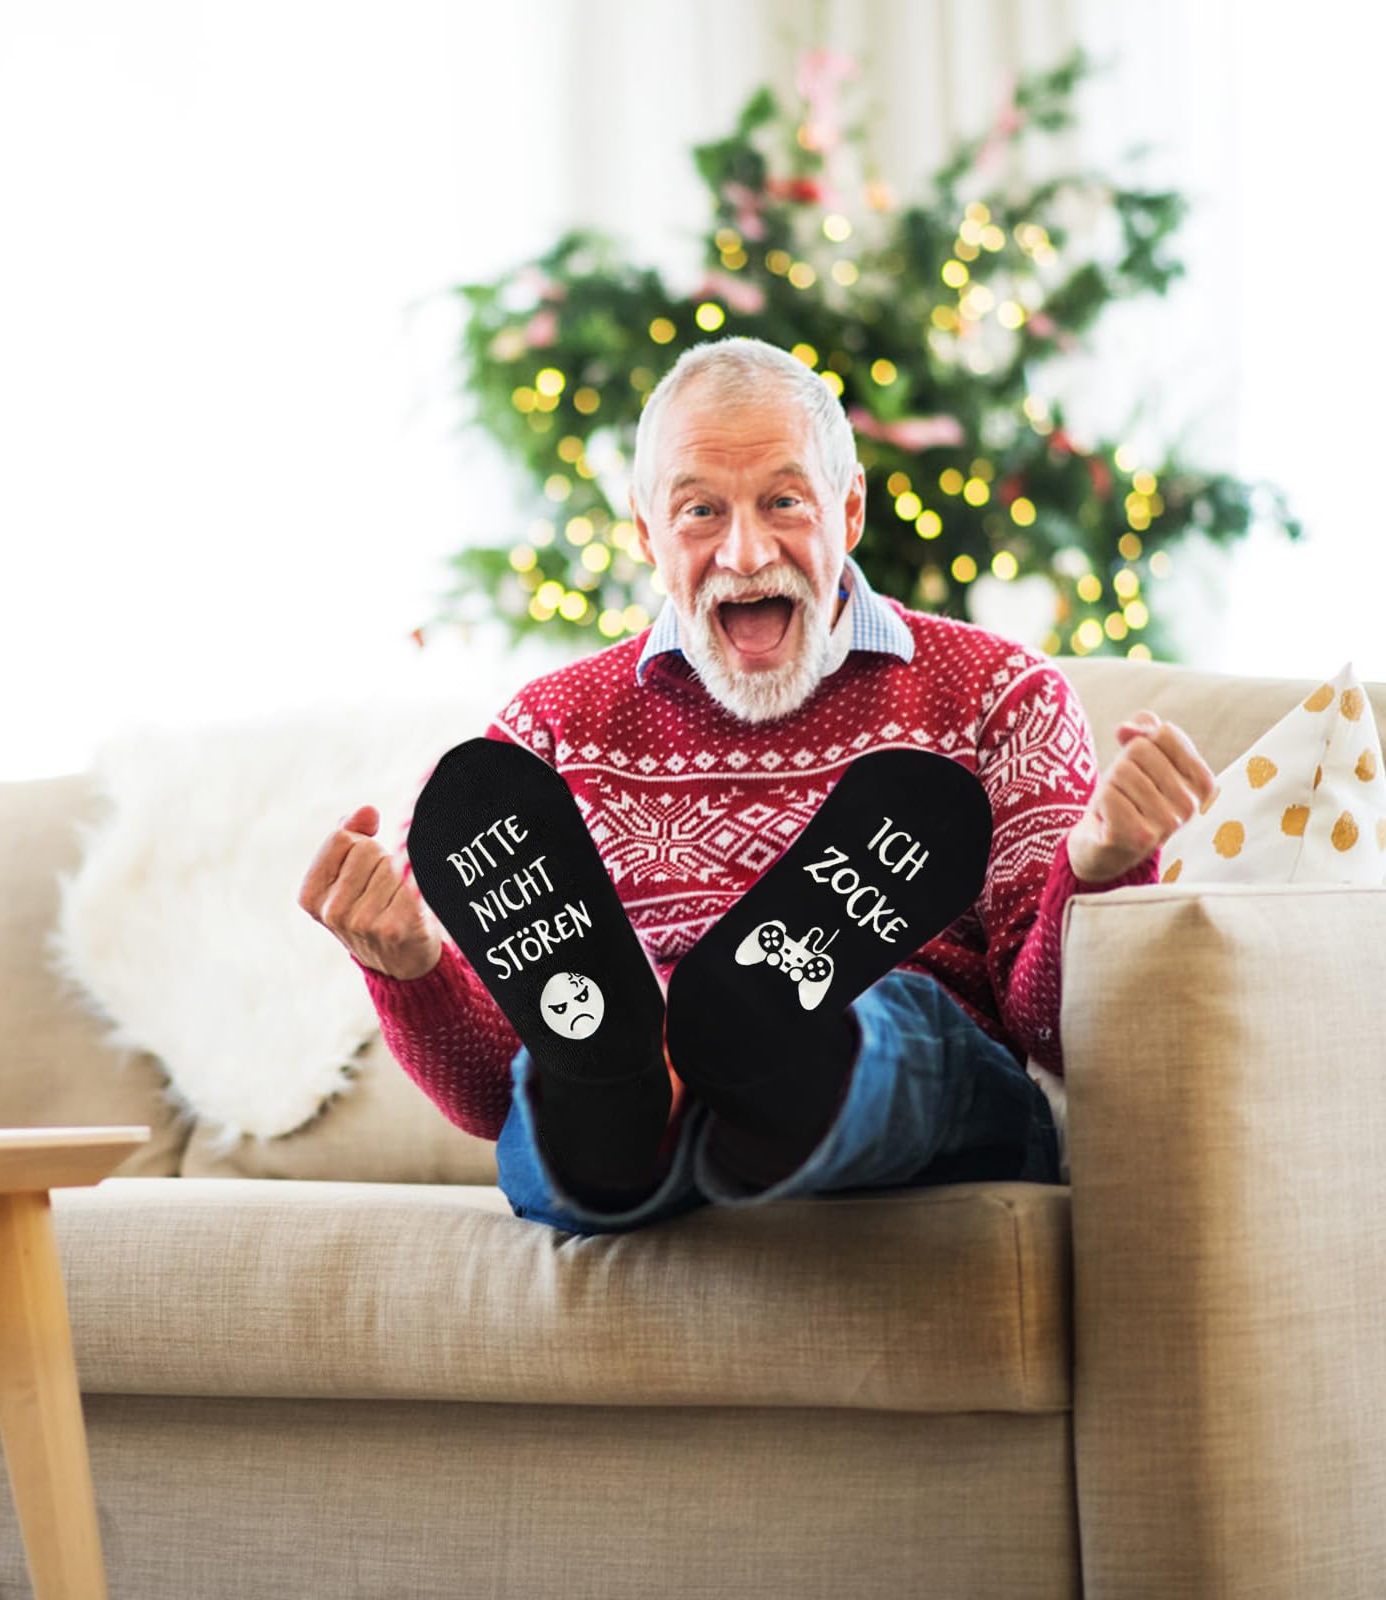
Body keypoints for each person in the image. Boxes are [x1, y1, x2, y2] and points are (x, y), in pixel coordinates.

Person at [298, 337, 1215, 1235]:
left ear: (848, 511)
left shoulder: (996, 693)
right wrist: (410, 967)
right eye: (700, 512)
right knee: (559, 1092)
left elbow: (1053, 1032)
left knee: (892, 1016)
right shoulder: (549, 733)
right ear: (647, 533)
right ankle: (659, 1079)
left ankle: (762, 1041)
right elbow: (487, 1094)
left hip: (927, 1104)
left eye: (784, 501)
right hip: (652, 1112)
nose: (744, 554)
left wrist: (1099, 866)